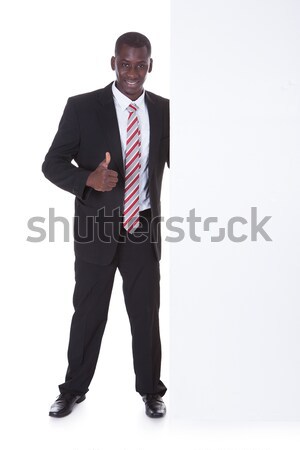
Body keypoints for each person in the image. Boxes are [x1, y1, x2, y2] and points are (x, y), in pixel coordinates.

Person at [42, 31, 169, 419]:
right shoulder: (82, 107)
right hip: (97, 229)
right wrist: (88, 180)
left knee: (146, 314)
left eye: (140, 65)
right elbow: (52, 164)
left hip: (142, 228)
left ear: (150, 66)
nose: (133, 72)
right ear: (113, 63)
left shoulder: (164, 110)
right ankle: (73, 390)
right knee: (89, 312)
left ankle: (151, 391)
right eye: (125, 63)